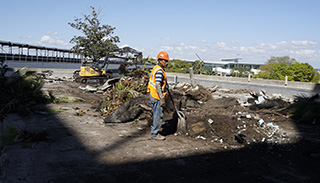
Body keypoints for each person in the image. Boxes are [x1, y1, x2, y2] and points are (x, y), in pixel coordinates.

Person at [147, 51, 169, 140]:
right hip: (156, 96)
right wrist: (162, 99)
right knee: (158, 115)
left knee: (157, 114)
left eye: (167, 61)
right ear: (160, 61)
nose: (167, 63)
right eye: (165, 61)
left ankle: (154, 132)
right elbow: (158, 85)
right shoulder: (159, 71)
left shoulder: (156, 68)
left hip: (153, 94)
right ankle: (155, 134)